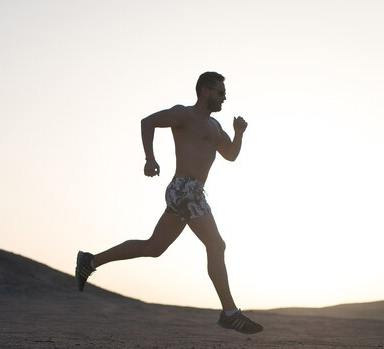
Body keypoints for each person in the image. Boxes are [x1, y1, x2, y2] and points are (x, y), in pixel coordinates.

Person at [75, 71, 263, 334]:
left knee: (154, 247)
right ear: (205, 91)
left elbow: (230, 155)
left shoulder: (216, 127)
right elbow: (147, 122)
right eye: (220, 92)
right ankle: (230, 312)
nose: (224, 98)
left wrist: (239, 133)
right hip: (185, 189)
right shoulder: (184, 115)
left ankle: (90, 261)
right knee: (216, 244)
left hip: (192, 192)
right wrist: (149, 158)